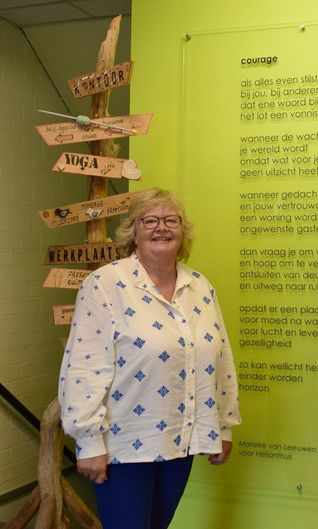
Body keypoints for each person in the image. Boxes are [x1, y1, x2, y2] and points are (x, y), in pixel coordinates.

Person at [59, 188, 241, 529]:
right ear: (133, 232)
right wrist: (88, 441)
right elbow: (84, 366)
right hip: (122, 446)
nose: (162, 227)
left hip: (180, 441)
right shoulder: (105, 284)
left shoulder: (200, 286)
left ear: (183, 231)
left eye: (171, 220)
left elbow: (221, 358)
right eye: (150, 220)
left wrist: (221, 426)